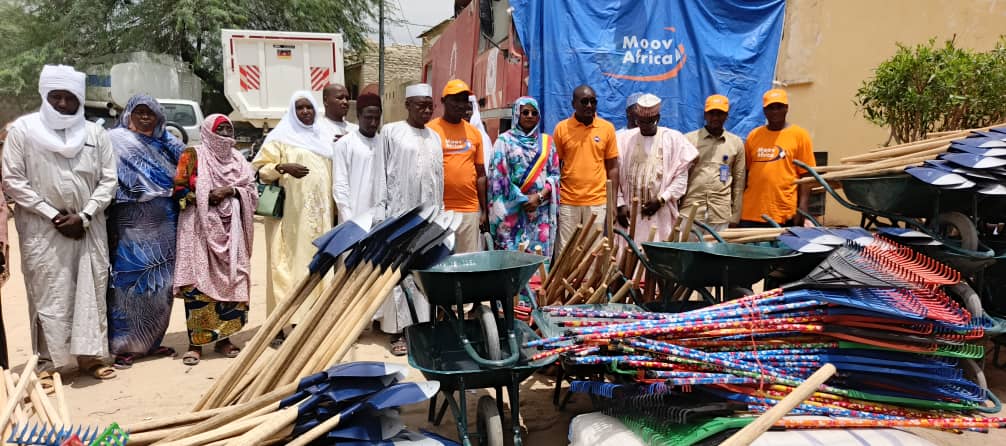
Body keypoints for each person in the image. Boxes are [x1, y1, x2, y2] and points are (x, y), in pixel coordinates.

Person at [3, 65, 118, 383]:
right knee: (47, 293)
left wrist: (84, 215)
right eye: (57, 97)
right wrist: (52, 214)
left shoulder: (96, 133)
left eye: (71, 98)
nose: (64, 104)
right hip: (43, 229)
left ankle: (91, 358)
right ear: (45, 96)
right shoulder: (22, 131)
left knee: (90, 292)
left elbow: (109, 180)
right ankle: (48, 363)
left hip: (87, 226)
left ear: (80, 99)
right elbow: (13, 180)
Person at [106, 94, 185, 368]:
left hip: (166, 218)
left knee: (162, 284)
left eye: (150, 113)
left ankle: (152, 342)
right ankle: (124, 345)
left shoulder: (167, 142)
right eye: (139, 112)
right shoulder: (115, 140)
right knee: (130, 282)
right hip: (132, 219)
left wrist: (168, 140)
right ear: (128, 114)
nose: (144, 117)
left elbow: (189, 164)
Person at [173, 114, 257, 365]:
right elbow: (178, 189)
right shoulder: (193, 155)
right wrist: (202, 197)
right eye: (219, 129)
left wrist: (231, 191)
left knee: (234, 279)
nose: (224, 134)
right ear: (208, 131)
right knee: (198, 285)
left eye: (227, 129)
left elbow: (251, 192)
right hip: (199, 229)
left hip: (233, 230)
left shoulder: (239, 159)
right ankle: (195, 344)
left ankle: (225, 340)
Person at [252, 91, 335, 341]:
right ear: (292, 111)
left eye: (309, 107)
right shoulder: (280, 138)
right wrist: (281, 167)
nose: (305, 112)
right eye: (299, 108)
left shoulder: (324, 138)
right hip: (290, 218)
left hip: (319, 218)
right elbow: (260, 170)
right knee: (285, 266)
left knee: (316, 265)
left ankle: (308, 322)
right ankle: (280, 323)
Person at [372, 83, 443, 355]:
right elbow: (380, 173)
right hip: (400, 216)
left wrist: (441, 213)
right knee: (399, 274)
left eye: (429, 105)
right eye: (420, 105)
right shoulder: (391, 133)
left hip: (429, 218)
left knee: (425, 272)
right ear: (407, 105)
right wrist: (383, 214)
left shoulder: (434, 137)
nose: (426, 110)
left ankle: (422, 327)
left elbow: (439, 178)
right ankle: (398, 331)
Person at [615, 94, 698, 243]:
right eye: (640, 122)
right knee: (627, 259)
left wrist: (661, 199)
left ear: (658, 119)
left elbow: (680, 179)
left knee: (656, 257)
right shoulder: (623, 139)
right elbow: (613, 176)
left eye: (649, 122)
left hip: (660, 216)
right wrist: (619, 204)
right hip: (629, 214)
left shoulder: (673, 139)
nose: (644, 126)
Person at [552, 84, 620, 256]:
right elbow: (555, 166)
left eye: (593, 101)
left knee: (592, 252)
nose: (589, 105)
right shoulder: (562, 129)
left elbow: (612, 167)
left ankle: (589, 284)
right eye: (584, 102)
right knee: (566, 252)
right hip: (568, 201)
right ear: (573, 104)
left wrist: (612, 203)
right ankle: (563, 284)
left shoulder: (607, 128)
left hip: (597, 201)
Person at [487, 96, 560, 256]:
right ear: (516, 114)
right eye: (524, 112)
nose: (529, 116)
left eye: (534, 113)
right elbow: (498, 177)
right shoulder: (503, 141)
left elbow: (555, 175)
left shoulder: (547, 142)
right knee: (511, 264)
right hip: (511, 214)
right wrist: (524, 200)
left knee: (537, 264)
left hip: (539, 215)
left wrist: (539, 197)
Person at [740, 89, 816, 227]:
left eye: (779, 107)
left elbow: (807, 176)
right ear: (764, 111)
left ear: (786, 108)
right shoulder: (753, 136)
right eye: (771, 107)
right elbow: (746, 173)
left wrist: (803, 206)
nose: (775, 111)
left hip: (784, 213)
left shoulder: (799, 135)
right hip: (751, 213)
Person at [427, 80, 486, 253]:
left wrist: (483, 211)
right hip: (440, 210)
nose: (461, 105)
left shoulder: (474, 133)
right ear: (443, 101)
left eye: (464, 100)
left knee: (468, 264)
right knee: (441, 262)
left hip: (469, 210)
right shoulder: (430, 131)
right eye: (455, 100)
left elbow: (481, 174)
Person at [681, 94, 746, 236]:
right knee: (688, 254)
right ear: (705, 115)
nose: (715, 117)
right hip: (690, 211)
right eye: (711, 113)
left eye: (720, 113)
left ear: (727, 116)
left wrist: (735, 215)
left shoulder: (736, 143)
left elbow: (739, 182)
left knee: (715, 255)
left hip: (720, 214)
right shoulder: (689, 140)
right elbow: (679, 177)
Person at [332, 93, 382, 223]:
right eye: (368, 118)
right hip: (353, 217)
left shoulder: (385, 143)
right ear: (358, 116)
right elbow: (340, 185)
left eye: (377, 118)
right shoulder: (344, 144)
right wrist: (348, 218)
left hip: (380, 217)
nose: (373, 123)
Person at [316, 83, 358, 148]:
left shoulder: (356, 129)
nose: (345, 102)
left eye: (347, 98)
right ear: (326, 100)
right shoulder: (316, 128)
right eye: (340, 98)